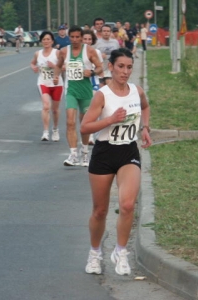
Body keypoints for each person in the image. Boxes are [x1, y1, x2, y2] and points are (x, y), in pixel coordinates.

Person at [80, 48, 152, 275]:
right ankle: (94, 253)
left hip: (127, 152)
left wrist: (146, 128)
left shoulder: (136, 91)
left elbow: (145, 106)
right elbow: (85, 127)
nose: (125, 71)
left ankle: (121, 252)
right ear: (110, 67)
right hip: (103, 153)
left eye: (129, 67)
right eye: (120, 66)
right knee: (100, 211)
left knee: (128, 205)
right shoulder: (102, 95)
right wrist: (110, 119)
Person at [53, 25, 103, 167]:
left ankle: (85, 153)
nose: (74, 40)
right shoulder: (64, 52)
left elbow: (100, 66)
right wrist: (56, 76)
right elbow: (58, 65)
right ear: (69, 37)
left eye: (77, 37)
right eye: (72, 37)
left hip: (86, 91)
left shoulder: (89, 51)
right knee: (70, 122)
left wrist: (92, 72)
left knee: (85, 125)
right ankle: (73, 154)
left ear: (81, 37)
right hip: (71, 90)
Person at [30, 31, 63, 142]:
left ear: (52, 41)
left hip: (56, 83)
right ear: (41, 41)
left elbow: (64, 67)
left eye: (48, 39)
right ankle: (45, 132)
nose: (46, 41)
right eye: (44, 39)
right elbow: (32, 63)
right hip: (43, 82)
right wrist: (33, 67)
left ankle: (55, 129)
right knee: (46, 106)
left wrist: (54, 66)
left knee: (55, 109)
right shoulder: (37, 54)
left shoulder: (57, 53)